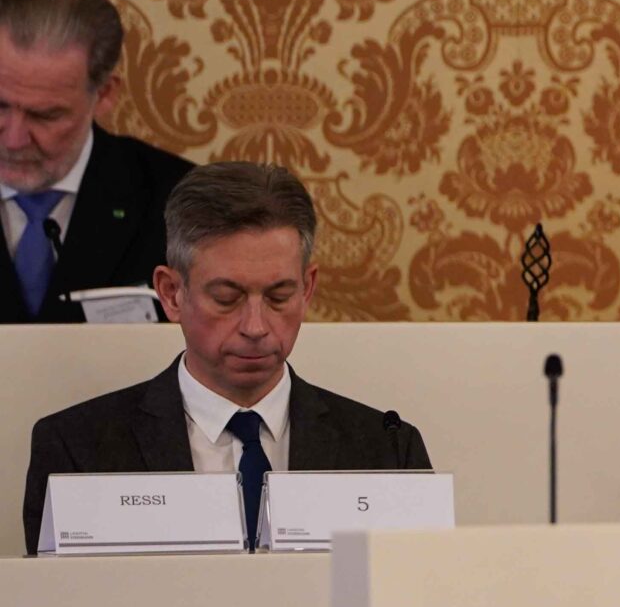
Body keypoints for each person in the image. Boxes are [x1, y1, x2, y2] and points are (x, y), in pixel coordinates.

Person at [21, 161, 430, 552]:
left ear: (307, 289)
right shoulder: (77, 451)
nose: (255, 326)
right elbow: (64, 599)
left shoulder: (389, 451)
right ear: (171, 293)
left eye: (279, 296)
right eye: (226, 298)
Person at [0, 0, 195, 323]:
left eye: (45, 115)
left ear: (104, 94)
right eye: (0, 106)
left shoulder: (181, 200)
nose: (14, 139)